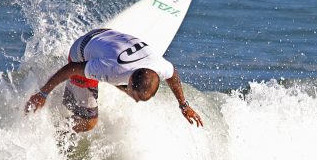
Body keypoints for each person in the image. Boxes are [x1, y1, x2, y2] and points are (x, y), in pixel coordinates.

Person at [25, 28, 204, 132]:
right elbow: (71, 69)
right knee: (89, 122)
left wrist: (184, 105)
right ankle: (58, 132)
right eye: (135, 95)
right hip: (80, 52)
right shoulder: (113, 71)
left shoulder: (160, 66)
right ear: (130, 79)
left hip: (105, 33)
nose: (135, 100)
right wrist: (43, 93)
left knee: (115, 82)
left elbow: (173, 76)